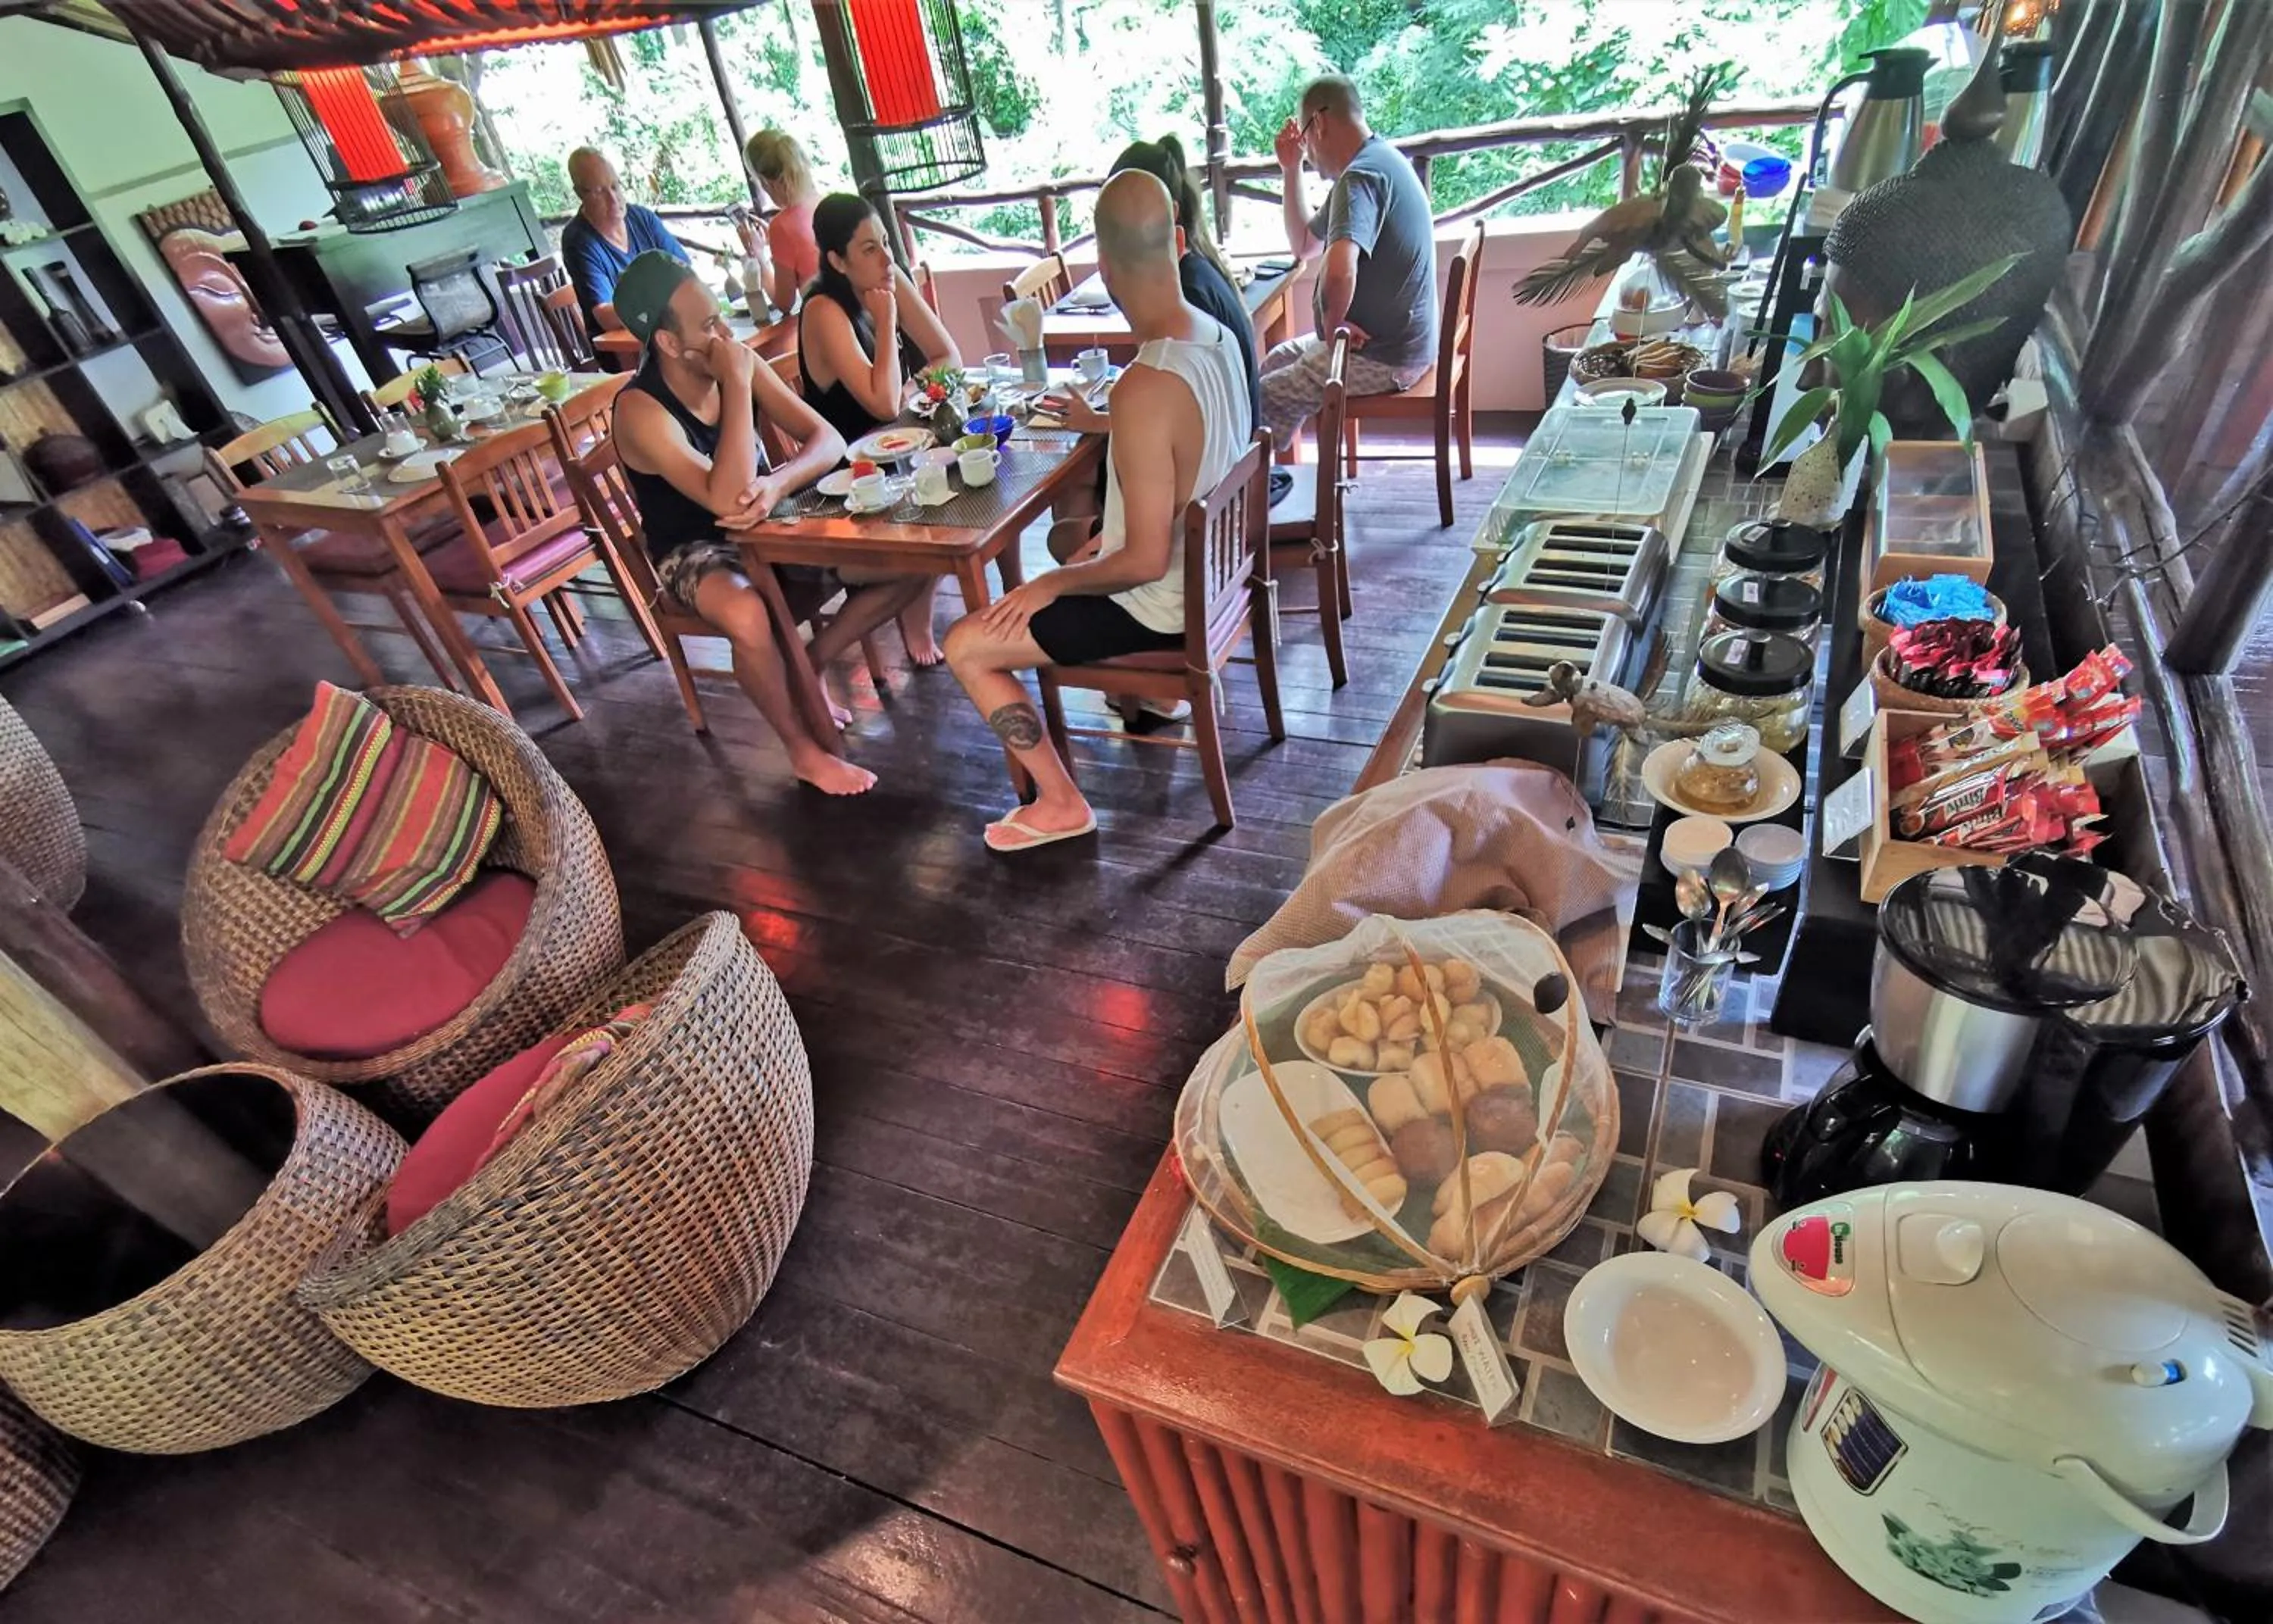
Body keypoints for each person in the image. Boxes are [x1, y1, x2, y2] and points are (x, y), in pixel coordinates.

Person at [940, 171, 1249, 854]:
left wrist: (1050, 584)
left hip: (1162, 605)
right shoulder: (1217, 335)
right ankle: (1147, 701)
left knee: (965, 644)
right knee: (1071, 540)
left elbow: (1142, 561)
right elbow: (1190, 453)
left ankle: (1060, 802)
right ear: (1177, 240)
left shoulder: (1146, 385)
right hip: (1211, 579)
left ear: (1104, 269)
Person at [610, 251, 927, 797]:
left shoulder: (734, 362)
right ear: (668, 342)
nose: (725, 336)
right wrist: (737, 386)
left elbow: (827, 440)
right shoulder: (641, 410)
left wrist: (778, 483)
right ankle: (804, 753)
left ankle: (809, 663)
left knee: (909, 555)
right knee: (748, 614)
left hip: (770, 521)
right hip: (695, 548)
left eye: (720, 318)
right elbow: (725, 499)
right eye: (710, 326)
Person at [799, 192, 962, 663]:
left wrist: (911, 389)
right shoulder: (824, 310)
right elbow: (883, 402)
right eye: (870, 249)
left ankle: (916, 621)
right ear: (838, 261)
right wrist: (888, 322)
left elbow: (947, 355)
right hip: (847, 486)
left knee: (956, 494)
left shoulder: (887, 279)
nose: (888, 259)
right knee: (936, 535)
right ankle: (819, 656)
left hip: (898, 457)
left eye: (886, 243)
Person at [1263, 75, 1437, 447]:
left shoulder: (1360, 178)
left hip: (1385, 358)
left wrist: (1332, 329)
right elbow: (1304, 244)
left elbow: (1340, 272)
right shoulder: (1377, 160)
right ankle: (1269, 469)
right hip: (1397, 344)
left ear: (1319, 124)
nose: (1308, 153)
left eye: (1305, 138)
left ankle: (1254, 480)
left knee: (1260, 398)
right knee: (1276, 361)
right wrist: (1291, 169)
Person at [1108, 137, 1261, 438]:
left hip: (1223, 456)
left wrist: (1103, 423)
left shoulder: (1188, 297)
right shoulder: (1198, 267)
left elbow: (1189, 421)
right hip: (1235, 453)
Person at [560, 147, 691, 333]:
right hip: (622, 342)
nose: (613, 199)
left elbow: (685, 269)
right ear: (580, 194)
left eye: (615, 186)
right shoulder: (579, 242)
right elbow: (606, 316)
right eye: (599, 191)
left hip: (665, 326)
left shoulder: (643, 218)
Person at [743, 129, 824, 317]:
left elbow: (784, 303)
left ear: (766, 182)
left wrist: (759, 255)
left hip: (827, 321)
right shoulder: (826, 201)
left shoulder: (781, 227)